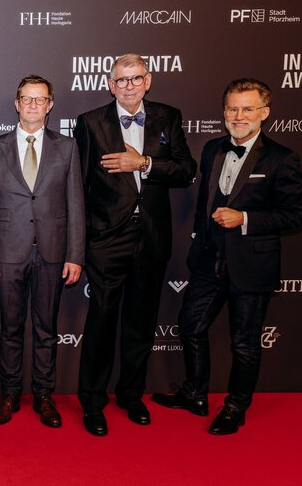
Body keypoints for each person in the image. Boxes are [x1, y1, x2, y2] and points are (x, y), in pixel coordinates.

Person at [152, 79, 302, 435]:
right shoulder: (211, 149)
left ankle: (236, 406)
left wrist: (246, 219)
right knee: (190, 325)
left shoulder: (282, 158)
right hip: (209, 260)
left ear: (264, 113)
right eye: (233, 109)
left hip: (251, 265)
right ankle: (195, 392)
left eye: (248, 109)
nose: (239, 116)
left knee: (245, 344)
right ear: (224, 113)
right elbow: (205, 200)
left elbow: (296, 215)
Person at [73, 54, 196, 436]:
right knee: (102, 322)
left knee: (141, 323)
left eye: (135, 78)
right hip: (108, 239)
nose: (128, 85)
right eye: (121, 80)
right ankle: (93, 401)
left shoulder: (167, 116)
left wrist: (143, 163)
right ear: (110, 84)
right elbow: (79, 186)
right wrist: (89, 237)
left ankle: (130, 395)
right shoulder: (91, 122)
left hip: (153, 238)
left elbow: (186, 171)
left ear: (148, 80)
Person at [0, 75, 85, 429]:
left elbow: (75, 204)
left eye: (40, 100)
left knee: (45, 328)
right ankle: (9, 395)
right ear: (17, 103)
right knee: (10, 329)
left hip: (53, 252)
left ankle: (43, 395)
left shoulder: (67, 147)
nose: (33, 106)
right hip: (8, 252)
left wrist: (75, 255)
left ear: (51, 105)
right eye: (27, 99)